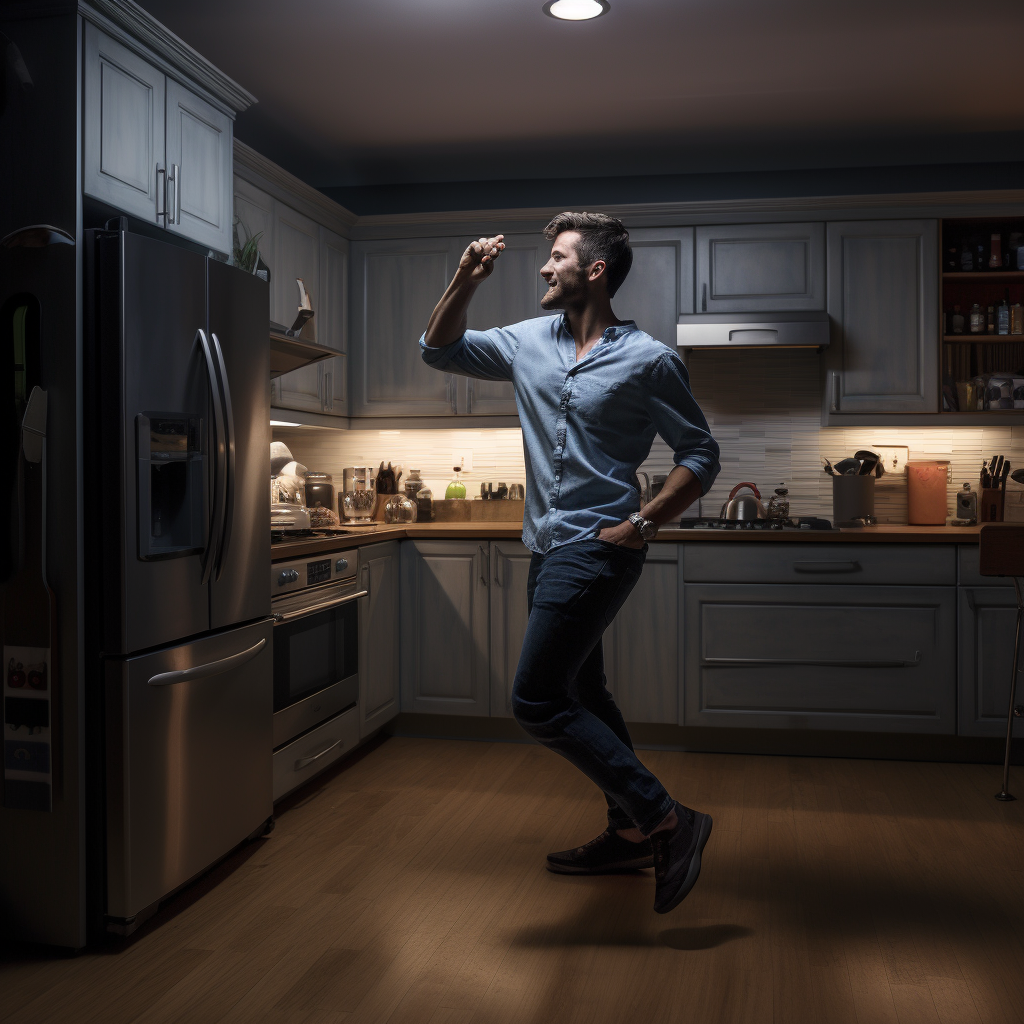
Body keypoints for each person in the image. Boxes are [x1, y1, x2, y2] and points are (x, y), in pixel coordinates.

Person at [420, 212, 721, 913]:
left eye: (557, 257)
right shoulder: (528, 341)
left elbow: (701, 454)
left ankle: (668, 818)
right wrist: (465, 278)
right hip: (546, 547)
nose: (543, 268)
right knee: (585, 695)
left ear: (594, 271)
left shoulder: (649, 360)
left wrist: (643, 523)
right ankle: (626, 831)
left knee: (535, 699)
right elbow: (438, 349)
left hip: (600, 547)